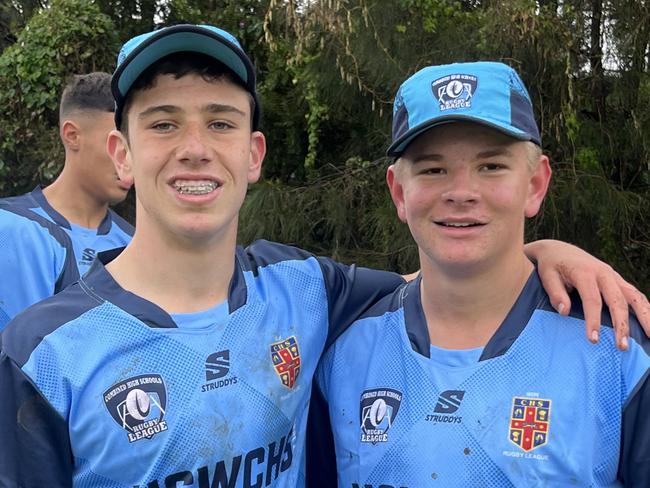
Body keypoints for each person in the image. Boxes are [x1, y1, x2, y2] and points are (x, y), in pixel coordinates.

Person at [0, 25, 647, 487]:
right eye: (163, 122)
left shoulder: (304, 292)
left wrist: (540, 252)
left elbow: (457, 267)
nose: (461, 191)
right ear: (121, 152)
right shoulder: (42, 353)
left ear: (253, 153)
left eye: (220, 122)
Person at [311, 62, 650, 486]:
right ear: (399, 192)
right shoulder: (341, 350)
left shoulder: (619, 346)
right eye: (433, 170)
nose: (461, 193)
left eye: (491, 167)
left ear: (535, 185)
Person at [0, 73, 133, 329]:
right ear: (72, 135)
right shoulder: (10, 228)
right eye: (115, 143)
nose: (127, 161)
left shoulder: (134, 245)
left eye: (133, 146)